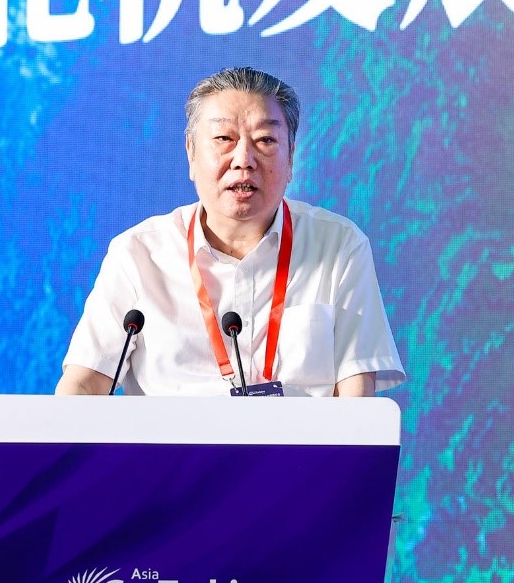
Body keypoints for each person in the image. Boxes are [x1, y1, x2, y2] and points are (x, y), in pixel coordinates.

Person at [55, 67, 405, 397]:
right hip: (172, 445)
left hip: (301, 445)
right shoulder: (138, 253)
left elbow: (356, 393)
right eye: (224, 138)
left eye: (265, 140)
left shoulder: (339, 245)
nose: (244, 159)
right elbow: (83, 384)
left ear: (291, 157)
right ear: (191, 153)